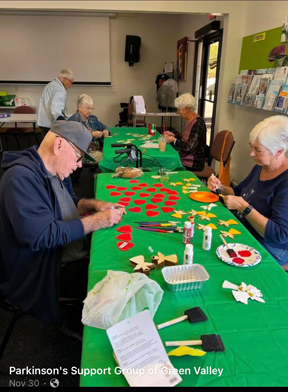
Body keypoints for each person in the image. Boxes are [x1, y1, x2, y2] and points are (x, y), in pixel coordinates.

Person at [0, 121, 126, 332]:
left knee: (112, 256)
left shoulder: (54, 170)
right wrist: (98, 220)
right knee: (113, 272)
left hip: (63, 256)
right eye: (78, 158)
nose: (79, 166)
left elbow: (70, 200)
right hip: (41, 272)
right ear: (59, 145)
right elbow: (41, 236)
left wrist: (96, 205)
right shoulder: (20, 179)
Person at [207, 115, 288, 271]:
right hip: (245, 229)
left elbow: (280, 235)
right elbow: (238, 192)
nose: (251, 153)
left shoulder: (285, 181)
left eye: (257, 150)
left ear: (278, 151)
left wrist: (244, 207)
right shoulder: (261, 165)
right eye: (252, 147)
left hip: (272, 246)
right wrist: (221, 187)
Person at [164, 93, 207, 171]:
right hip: (185, 158)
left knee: (166, 165)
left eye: (179, 109)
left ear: (186, 108)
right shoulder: (189, 120)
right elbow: (187, 139)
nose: (178, 112)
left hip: (194, 163)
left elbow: (189, 148)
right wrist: (174, 136)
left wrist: (174, 140)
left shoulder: (198, 124)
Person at [68, 94, 111, 164]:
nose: (90, 111)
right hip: (83, 153)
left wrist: (106, 131)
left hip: (97, 148)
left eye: (91, 108)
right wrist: (91, 135)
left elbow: (104, 127)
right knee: (106, 158)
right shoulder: (73, 121)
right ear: (79, 107)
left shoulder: (93, 118)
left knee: (110, 153)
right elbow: (74, 140)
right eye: (87, 108)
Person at [37, 69, 74, 138]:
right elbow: (56, 109)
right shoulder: (60, 89)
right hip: (51, 124)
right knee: (52, 147)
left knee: (45, 145)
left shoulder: (50, 85)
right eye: (71, 82)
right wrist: (62, 122)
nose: (71, 85)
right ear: (65, 79)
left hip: (43, 122)